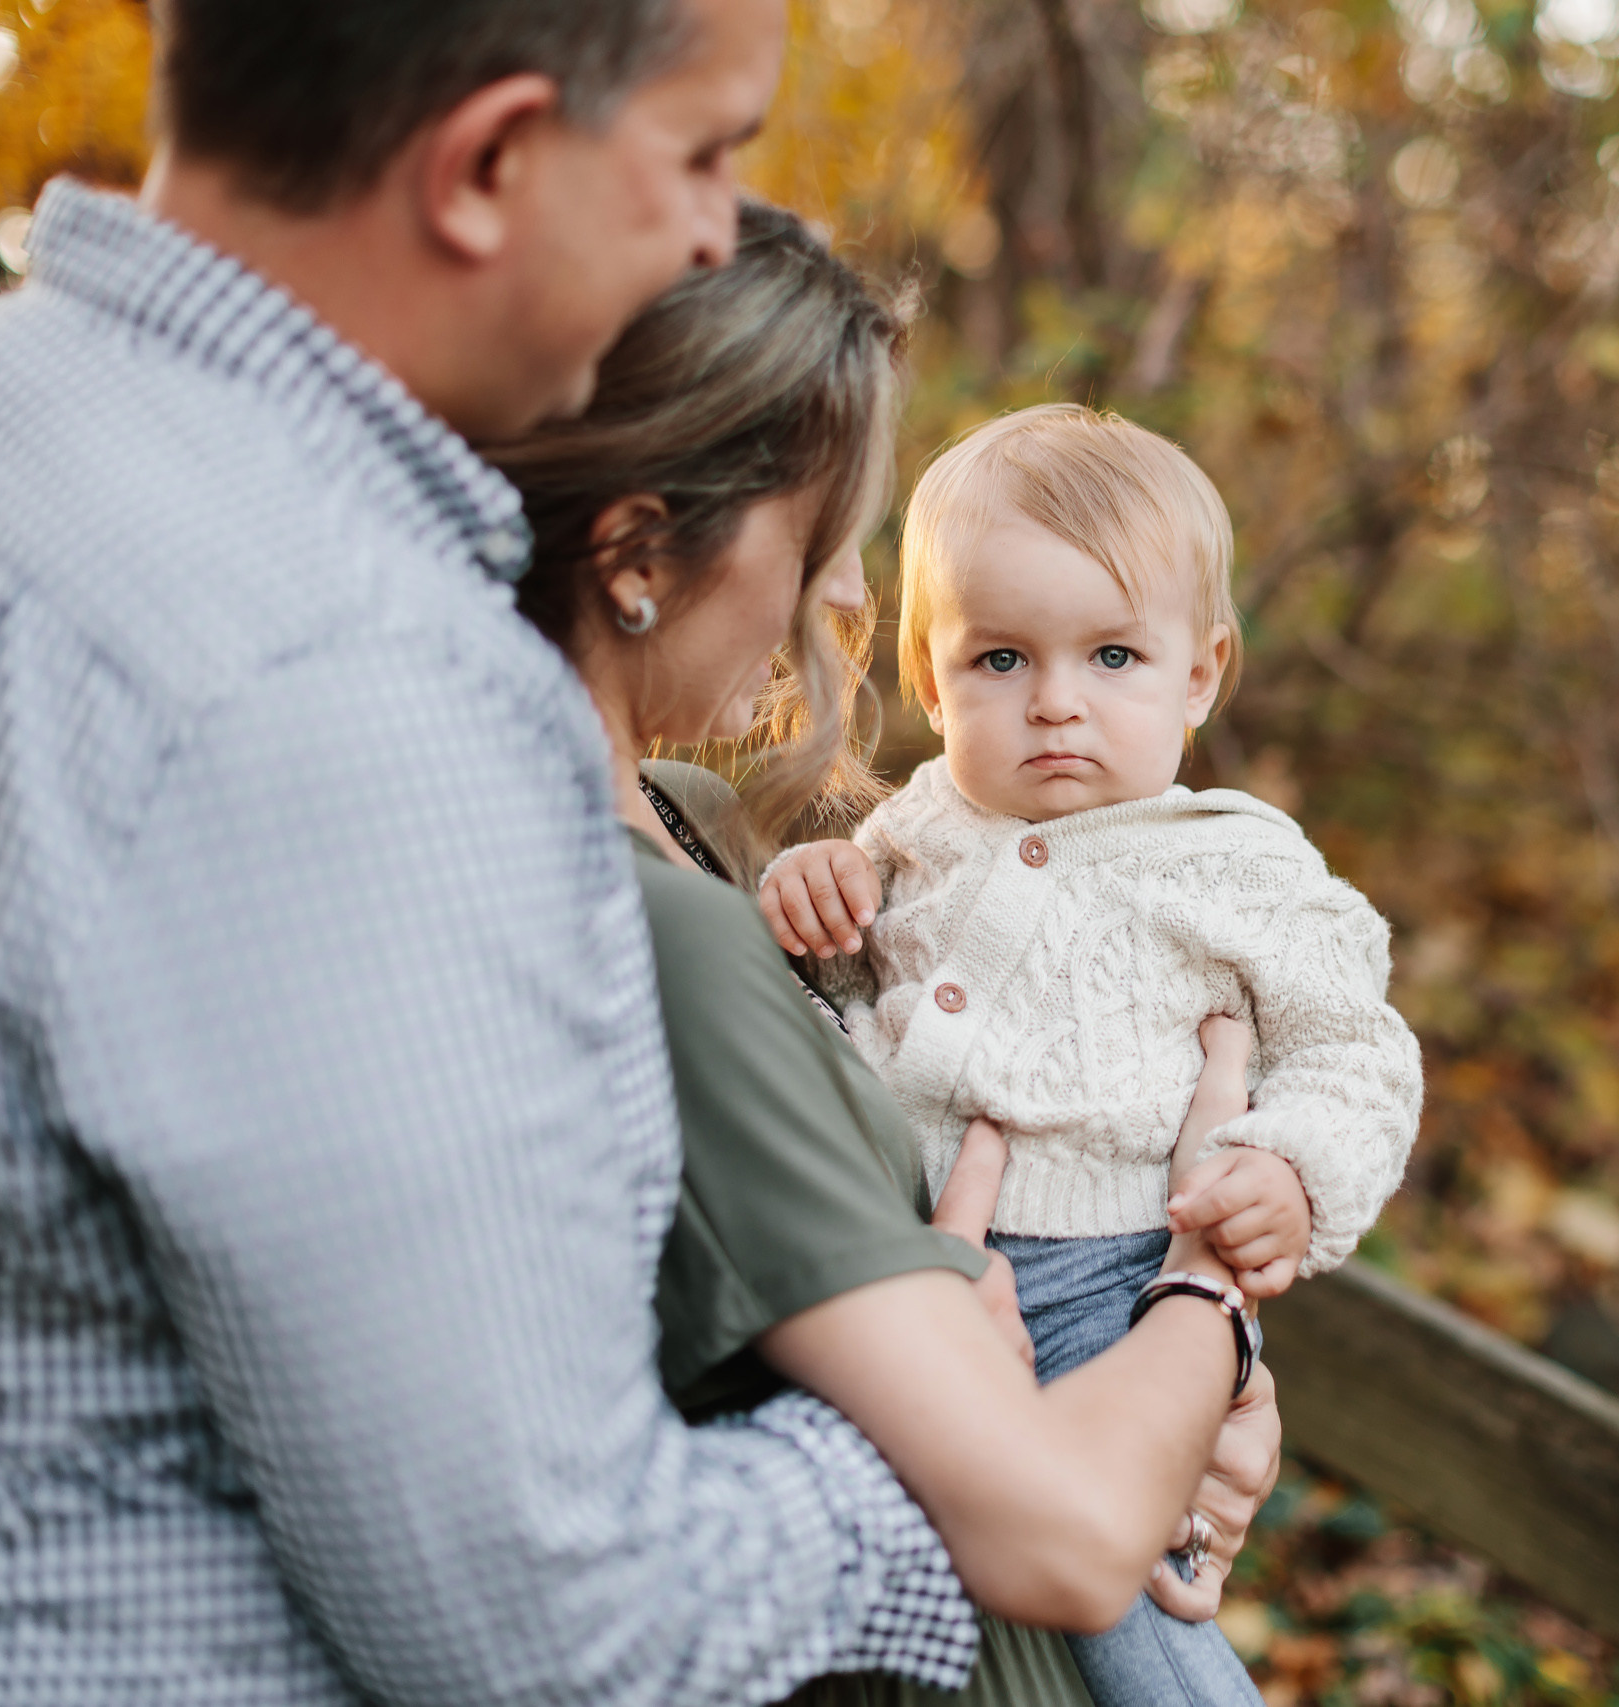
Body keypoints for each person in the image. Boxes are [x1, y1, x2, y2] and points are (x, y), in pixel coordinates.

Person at [0, 1, 1252, 1701]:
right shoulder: (350, 679)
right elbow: (552, 1624)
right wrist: (989, 1439)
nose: (710, 231)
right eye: (699, 154)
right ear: (483, 164)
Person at [487, 201, 1282, 1706]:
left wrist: (1186, 1389)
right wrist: (1210, 1315)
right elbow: (1039, 1508)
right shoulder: (644, 926)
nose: (854, 599)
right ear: (642, 550)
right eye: (827, 536)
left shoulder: (706, 826)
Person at [756, 403, 1425, 1705]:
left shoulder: (1237, 866)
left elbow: (1359, 1057)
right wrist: (813, 888)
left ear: (1200, 673)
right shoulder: (911, 833)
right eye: (1001, 659)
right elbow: (848, 986)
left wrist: (1289, 1169)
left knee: (1137, 1617)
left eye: (1113, 654)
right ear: (931, 673)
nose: (1056, 704)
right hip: (899, 1278)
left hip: (1110, 1294)